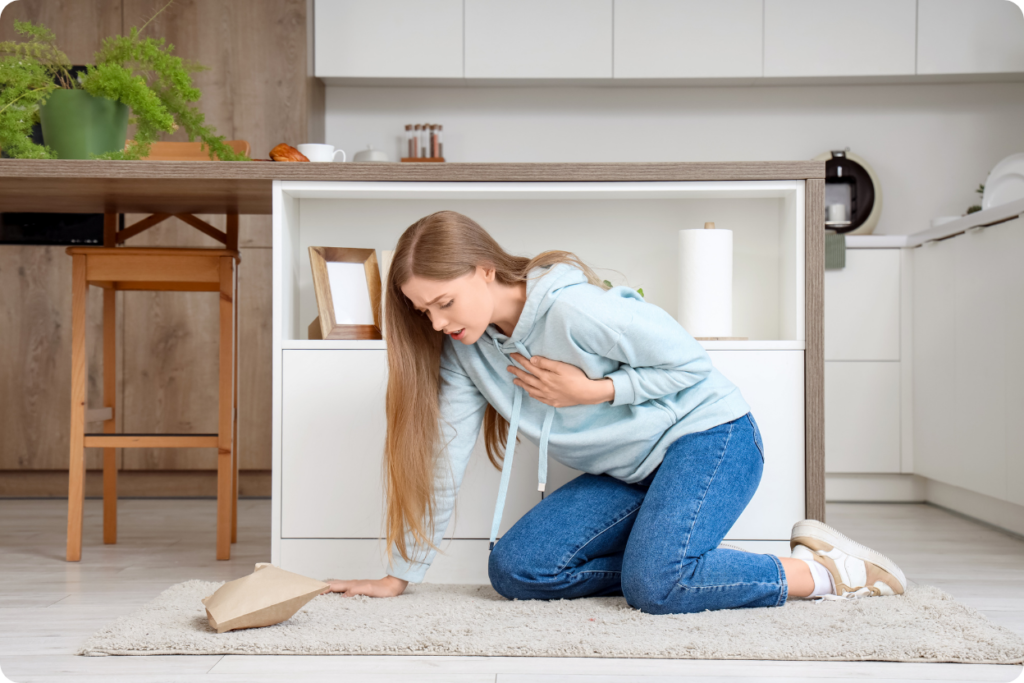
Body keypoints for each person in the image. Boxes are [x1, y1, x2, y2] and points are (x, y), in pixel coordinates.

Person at [321, 210, 906, 612]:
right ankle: (665, 566)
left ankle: (830, 573)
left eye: (443, 302)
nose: (439, 323)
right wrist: (401, 573)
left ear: (483, 269)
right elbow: (444, 456)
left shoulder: (576, 310)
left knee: (657, 587)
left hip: (709, 438)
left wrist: (595, 392)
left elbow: (692, 367)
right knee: (516, 570)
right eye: (424, 312)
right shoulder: (465, 353)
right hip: (630, 473)